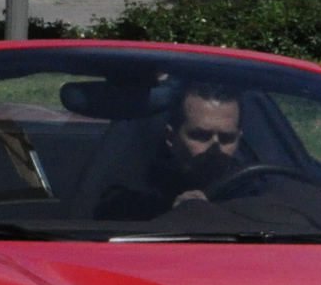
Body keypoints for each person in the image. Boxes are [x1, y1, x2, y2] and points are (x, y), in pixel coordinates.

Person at [92, 83, 248, 219]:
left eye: (227, 138)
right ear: (171, 137)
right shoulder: (137, 191)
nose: (215, 149)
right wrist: (171, 217)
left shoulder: (256, 187)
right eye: (201, 136)